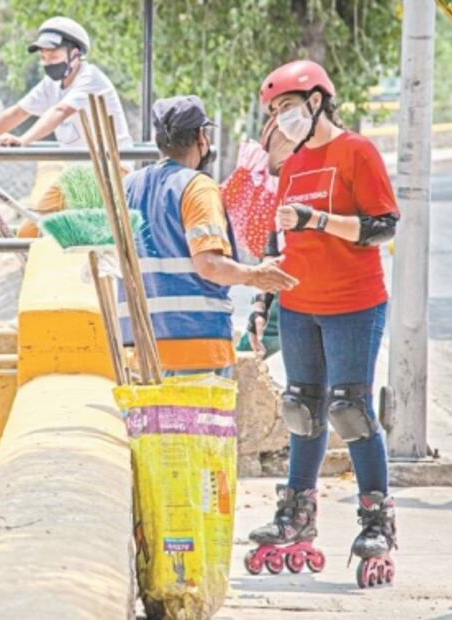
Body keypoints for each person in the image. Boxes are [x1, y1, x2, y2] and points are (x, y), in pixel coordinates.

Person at [244, 60, 401, 587]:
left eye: (287, 107)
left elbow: (382, 226)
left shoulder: (356, 152)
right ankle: (296, 514)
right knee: (301, 407)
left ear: (316, 102)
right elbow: (277, 237)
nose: (281, 119)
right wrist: (263, 302)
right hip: (298, 301)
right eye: (273, 112)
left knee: (350, 408)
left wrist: (318, 220)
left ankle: (377, 520)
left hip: (354, 301)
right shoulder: (293, 165)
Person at [120, 96, 297, 377]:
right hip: (194, 346)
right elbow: (209, 265)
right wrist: (254, 275)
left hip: (138, 349)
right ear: (201, 137)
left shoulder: (128, 186)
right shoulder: (198, 188)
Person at [0, 16, 132, 237]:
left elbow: (61, 111)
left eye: (54, 55)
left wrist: (23, 140)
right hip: (77, 174)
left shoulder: (90, 78)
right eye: (44, 57)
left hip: (109, 171)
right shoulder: (53, 84)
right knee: (28, 232)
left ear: (75, 54)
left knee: (81, 239)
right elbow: (17, 112)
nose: (48, 62)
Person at [222, 118, 298, 358]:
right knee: (258, 340)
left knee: (258, 342)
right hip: (287, 281)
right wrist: (259, 304)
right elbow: (272, 244)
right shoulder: (282, 187)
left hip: (301, 284)